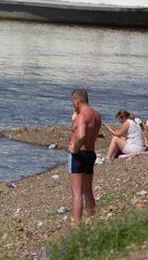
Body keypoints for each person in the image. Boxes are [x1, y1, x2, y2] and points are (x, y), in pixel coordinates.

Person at [67, 88, 102, 223]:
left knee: (77, 192)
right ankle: (91, 220)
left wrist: (75, 148)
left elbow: (81, 135)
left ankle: (77, 223)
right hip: (90, 153)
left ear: (77, 101)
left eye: (73, 103)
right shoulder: (96, 114)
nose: (72, 106)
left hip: (78, 154)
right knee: (88, 190)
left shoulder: (82, 116)